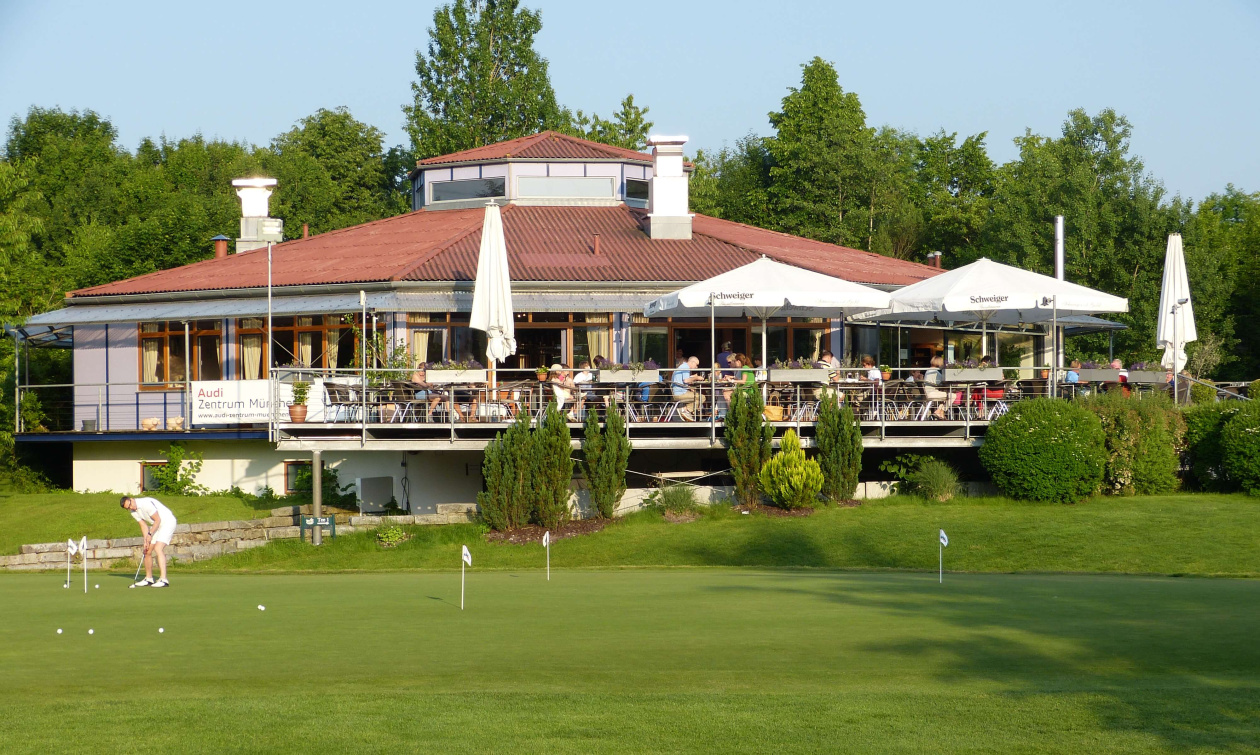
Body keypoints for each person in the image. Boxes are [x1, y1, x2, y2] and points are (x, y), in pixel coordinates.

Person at [120, 496, 177, 588]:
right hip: (156, 525)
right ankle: (149, 578)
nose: (131, 507)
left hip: (167, 522)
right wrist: (146, 540)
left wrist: (150, 534)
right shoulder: (133, 512)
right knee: (147, 550)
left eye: (130, 504)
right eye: (128, 508)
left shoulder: (145, 504)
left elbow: (158, 520)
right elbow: (143, 526)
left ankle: (163, 579)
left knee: (158, 548)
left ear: (131, 499)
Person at [671, 355, 706, 421]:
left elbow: (683, 381)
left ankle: (688, 413)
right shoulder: (685, 367)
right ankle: (685, 410)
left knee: (697, 396)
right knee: (702, 397)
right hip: (680, 393)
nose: (696, 367)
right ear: (692, 362)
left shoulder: (682, 366)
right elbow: (686, 380)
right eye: (696, 365)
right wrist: (696, 378)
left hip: (678, 391)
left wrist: (689, 387)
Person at [922, 355, 948, 420]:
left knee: (945, 397)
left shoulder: (928, 371)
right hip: (932, 393)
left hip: (926, 393)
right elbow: (942, 382)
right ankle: (939, 411)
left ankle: (941, 413)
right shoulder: (935, 372)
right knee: (952, 396)